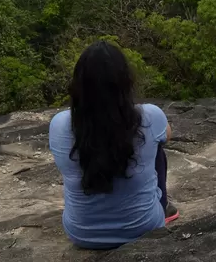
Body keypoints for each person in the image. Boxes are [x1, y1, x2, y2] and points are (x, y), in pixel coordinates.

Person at [49, 41, 179, 249]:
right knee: (157, 149)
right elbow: (168, 136)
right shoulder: (150, 116)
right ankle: (161, 207)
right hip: (144, 229)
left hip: (82, 235)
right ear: (125, 82)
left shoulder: (59, 124)